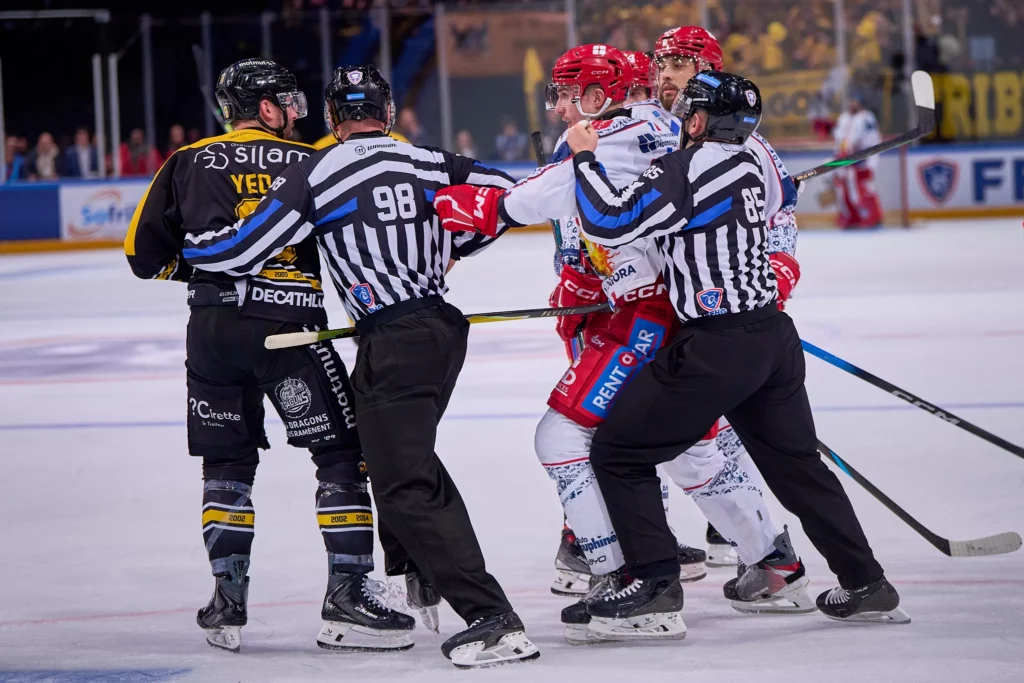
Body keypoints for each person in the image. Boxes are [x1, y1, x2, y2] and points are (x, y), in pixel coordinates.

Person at [433, 46, 813, 646]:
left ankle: (625, 577)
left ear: (596, 94)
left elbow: (543, 198)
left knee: (563, 435)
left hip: (643, 315)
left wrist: (480, 207)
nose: (558, 106)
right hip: (686, 312)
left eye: (566, 92)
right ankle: (774, 563)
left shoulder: (600, 135)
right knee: (688, 446)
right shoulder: (671, 124)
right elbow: (767, 203)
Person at [180, 64, 539, 669]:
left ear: (330, 116)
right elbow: (507, 199)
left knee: (403, 480)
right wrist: (451, 243)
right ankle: (415, 575)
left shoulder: (318, 171)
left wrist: (192, 251)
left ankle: (491, 619)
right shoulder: (430, 161)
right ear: (387, 111)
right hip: (440, 327)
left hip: (394, 338)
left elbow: (242, 250)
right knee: (391, 459)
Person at [565, 71, 909, 638]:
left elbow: (610, 220)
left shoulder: (684, 168)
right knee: (797, 467)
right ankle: (866, 581)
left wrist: (585, 159)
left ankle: (653, 585)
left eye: (686, 115)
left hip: (717, 347)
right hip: (773, 338)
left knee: (619, 451)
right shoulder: (751, 162)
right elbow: (783, 194)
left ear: (697, 121)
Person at [125, 58, 415, 654]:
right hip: (289, 333)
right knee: (341, 454)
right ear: (265, 107)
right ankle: (349, 598)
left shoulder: (188, 159)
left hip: (211, 332)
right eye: (286, 101)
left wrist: (202, 276)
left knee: (226, 464)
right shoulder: (314, 161)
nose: (294, 112)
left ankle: (227, 602)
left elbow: (142, 254)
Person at [648, 24, 804, 571]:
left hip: (721, 313)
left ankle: (741, 535)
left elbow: (778, 216)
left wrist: (778, 269)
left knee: (715, 431)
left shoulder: (748, 144)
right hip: (664, 308)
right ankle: (650, 540)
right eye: (662, 64)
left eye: (680, 64)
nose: (666, 75)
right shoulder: (649, 130)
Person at [833, 92, 883, 229]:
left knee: (864, 187)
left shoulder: (866, 117)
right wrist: (840, 153)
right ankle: (852, 216)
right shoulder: (844, 117)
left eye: (855, 101)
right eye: (851, 101)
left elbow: (865, 139)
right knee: (845, 187)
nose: (852, 104)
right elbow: (839, 138)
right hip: (846, 157)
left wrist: (854, 152)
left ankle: (874, 216)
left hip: (864, 157)